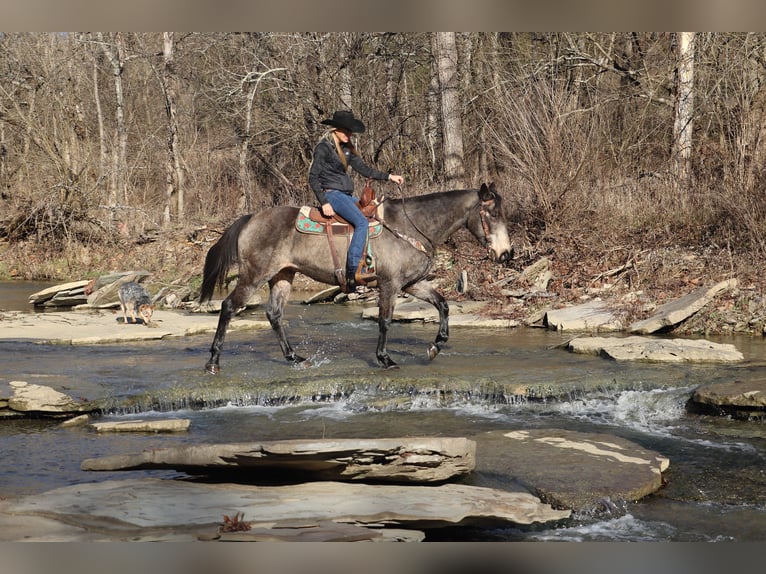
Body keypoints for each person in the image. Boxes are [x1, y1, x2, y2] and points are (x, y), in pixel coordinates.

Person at [309, 110, 405, 291]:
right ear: (335, 129)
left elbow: (365, 170)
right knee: (361, 222)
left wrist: (389, 176)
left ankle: (371, 261)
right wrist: (324, 202)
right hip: (332, 195)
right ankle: (352, 271)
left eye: (350, 131)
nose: (348, 134)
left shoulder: (346, 149)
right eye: (345, 131)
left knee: (373, 215)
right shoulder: (323, 148)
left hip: (345, 195)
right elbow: (313, 177)